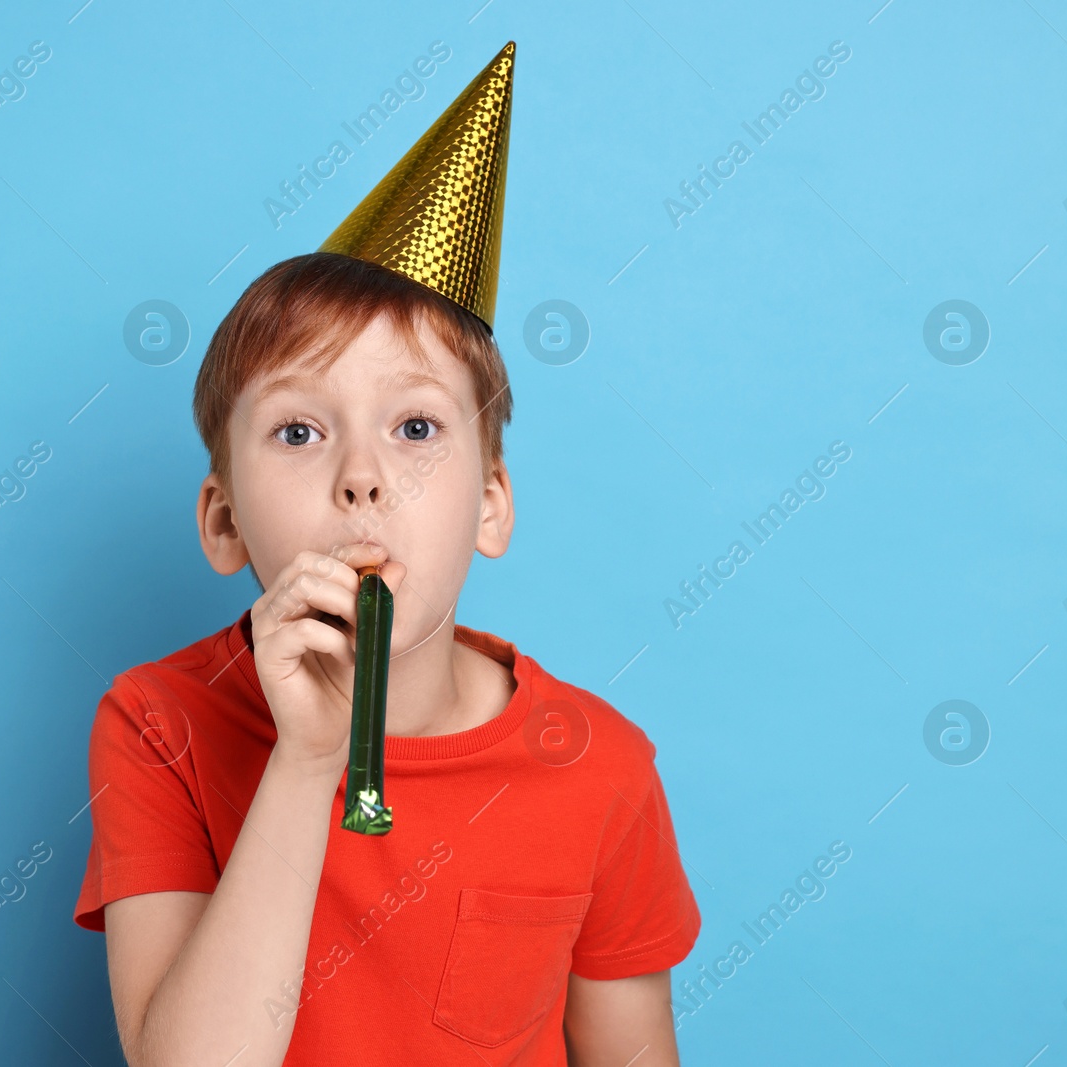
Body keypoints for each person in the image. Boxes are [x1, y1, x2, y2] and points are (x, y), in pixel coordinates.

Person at [73, 41, 700, 1066]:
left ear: (490, 504)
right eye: (299, 431)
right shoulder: (157, 723)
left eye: (413, 429)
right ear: (223, 521)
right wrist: (308, 758)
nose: (360, 479)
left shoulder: (602, 766)